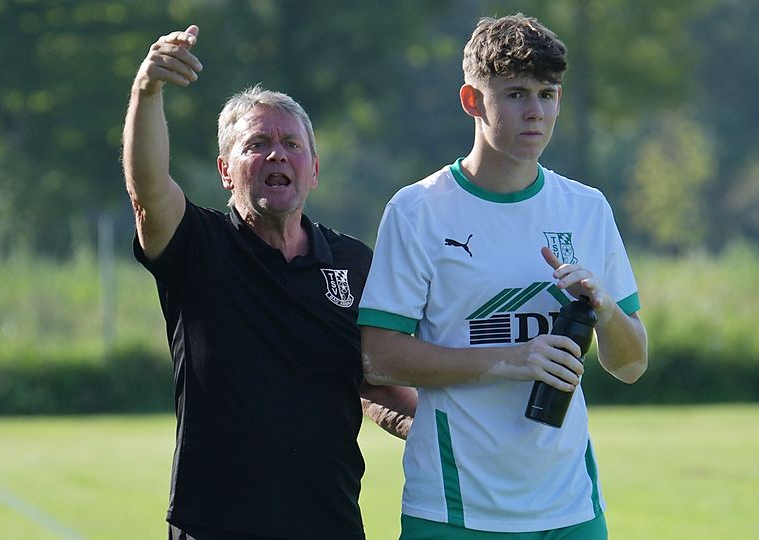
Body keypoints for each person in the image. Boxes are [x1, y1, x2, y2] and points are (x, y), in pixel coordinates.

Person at [358, 13, 648, 539]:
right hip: (453, 510)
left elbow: (631, 364)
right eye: (515, 94)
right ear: (473, 101)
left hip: (571, 511)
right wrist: (509, 360)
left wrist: (605, 309)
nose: (535, 112)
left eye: (548, 93)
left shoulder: (587, 207)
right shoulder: (417, 210)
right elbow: (378, 357)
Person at [122, 25, 417, 540]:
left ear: (314, 169)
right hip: (216, 527)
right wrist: (147, 91)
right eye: (257, 144)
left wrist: (447, 431)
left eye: (291, 144)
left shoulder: (353, 263)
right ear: (225, 172)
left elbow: (374, 381)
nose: (277, 155)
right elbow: (148, 189)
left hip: (330, 525)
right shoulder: (198, 246)